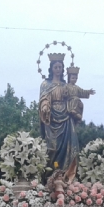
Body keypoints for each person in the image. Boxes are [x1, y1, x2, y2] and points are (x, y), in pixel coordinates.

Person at [39, 53, 79, 183]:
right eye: (55, 67)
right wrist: (45, 106)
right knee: (52, 148)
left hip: (66, 117)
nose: (58, 69)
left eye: (60, 67)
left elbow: (73, 97)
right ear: (51, 68)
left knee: (69, 146)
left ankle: (67, 177)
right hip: (51, 118)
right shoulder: (45, 84)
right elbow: (44, 98)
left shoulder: (65, 85)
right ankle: (49, 178)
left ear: (63, 69)